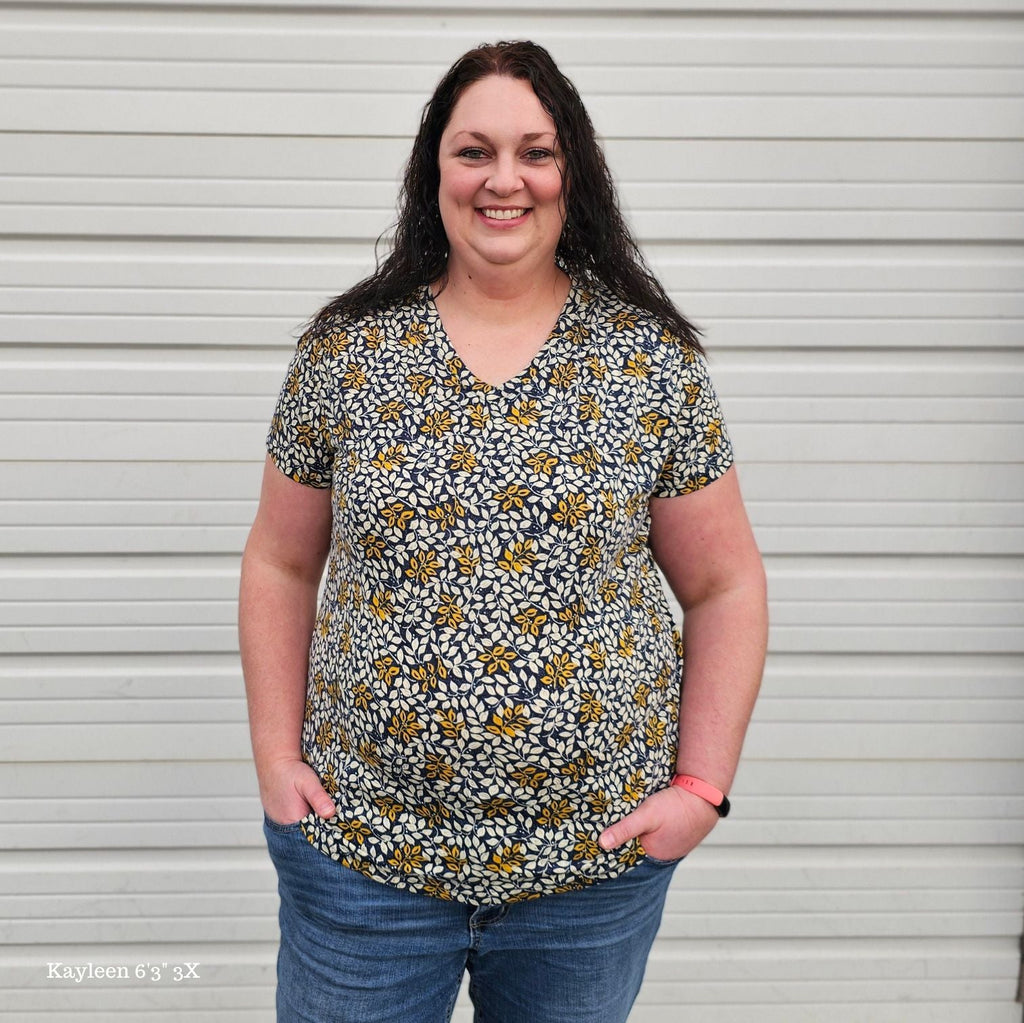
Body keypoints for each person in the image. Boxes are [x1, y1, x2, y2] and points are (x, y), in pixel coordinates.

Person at [239, 39, 767, 1023]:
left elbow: (723, 583)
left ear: (573, 171)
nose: (503, 180)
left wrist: (700, 787)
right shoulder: (346, 355)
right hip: (363, 860)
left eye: (535, 150)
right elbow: (278, 559)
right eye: (472, 151)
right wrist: (277, 761)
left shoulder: (647, 364)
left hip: (590, 867)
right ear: (432, 171)